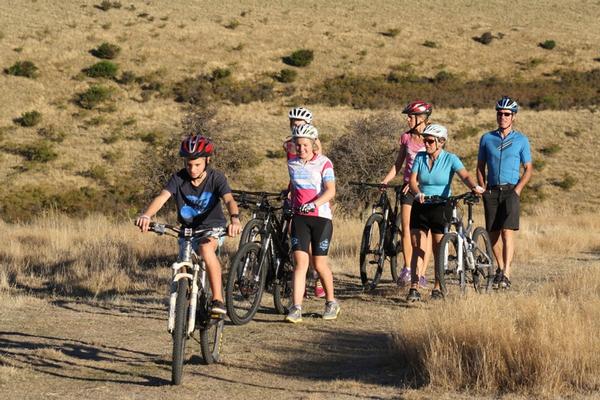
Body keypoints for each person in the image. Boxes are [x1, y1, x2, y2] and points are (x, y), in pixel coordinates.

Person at [135, 135, 242, 314]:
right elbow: (162, 197)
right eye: (188, 164)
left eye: (197, 164)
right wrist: (147, 216)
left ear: (207, 160)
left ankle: (218, 299)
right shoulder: (178, 178)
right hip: (187, 230)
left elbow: (229, 200)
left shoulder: (217, 178)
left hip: (212, 229)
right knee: (183, 263)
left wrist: (235, 219)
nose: (192, 169)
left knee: (206, 250)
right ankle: (185, 306)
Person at [407, 124, 484, 301]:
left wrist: (474, 187)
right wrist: (417, 192)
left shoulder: (451, 159)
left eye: (429, 141)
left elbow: (464, 176)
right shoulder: (420, 157)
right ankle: (414, 286)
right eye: (424, 140)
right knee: (417, 248)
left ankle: (437, 286)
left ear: (441, 142)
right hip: (421, 204)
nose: (425, 144)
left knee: (438, 249)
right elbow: (412, 180)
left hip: (441, 206)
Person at [476, 96, 532, 290]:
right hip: (491, 191)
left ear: (513, 117)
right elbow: (480, 166)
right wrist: (482, 188)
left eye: (507, 114)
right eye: (500, 113)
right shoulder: (486, 138)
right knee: (493, 236)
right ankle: (500, 268)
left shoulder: (521, 140)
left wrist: (517, 190)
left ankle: (506, 273)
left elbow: (528, 168)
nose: (503, 117)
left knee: (507, 232)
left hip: (511, 190)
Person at [285, 124, 339, 322]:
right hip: (299, 218)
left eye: (305, 145)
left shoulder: (325, 163)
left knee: (319, 264)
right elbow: (294, 187)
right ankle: (296, 307)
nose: (301, 149)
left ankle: (331, 302)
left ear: (314, 144)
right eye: (298, 145)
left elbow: (331, 190)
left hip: (321, 219)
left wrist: (313, 204)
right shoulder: (292, 164)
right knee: (300, 263)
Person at [381, 100, 433, 288]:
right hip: (406, 188)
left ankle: (422, 273)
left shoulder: (432, 137)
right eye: (408, 117)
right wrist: (386, 180)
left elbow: (434, 165)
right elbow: (398, 163)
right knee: (407, 228)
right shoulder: (406, 138)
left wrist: (417, 182)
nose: (408, 120)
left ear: (422, 119)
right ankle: (408, 268)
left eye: (411, 117)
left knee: (424, 233)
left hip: (426, 189)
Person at [284, 107, 325, 298]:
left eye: (299, 123)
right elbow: (294, 171)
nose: (295, 125)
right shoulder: (290, 144)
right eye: (292, 122)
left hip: (313, 198)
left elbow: (314, 171)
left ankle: (317, 276)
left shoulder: (314, 142)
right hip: (296, 191)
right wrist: (289, 189)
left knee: (309, 243)